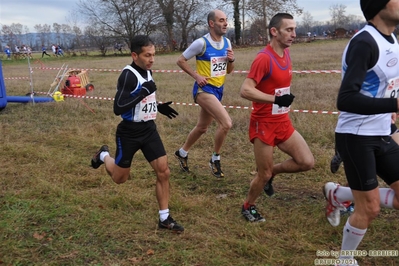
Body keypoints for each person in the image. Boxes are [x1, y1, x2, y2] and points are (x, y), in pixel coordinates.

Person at [322, 0, 399, 264]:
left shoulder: (390, 38)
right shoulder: (365, 43)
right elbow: (345, 99)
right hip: (355, 137)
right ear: (380, 5)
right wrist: (395, 104)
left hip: (382, 133)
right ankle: (344, 260)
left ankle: (337, 194)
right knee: (370, 207)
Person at [90, 35, 184, 233]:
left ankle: (164, 218)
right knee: (120, 178)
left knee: (164, 171)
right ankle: (103, 155)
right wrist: (142, 93)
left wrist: (157, 107)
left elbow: (143, 97)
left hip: (149, 130)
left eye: (153, 55)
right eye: (147, 55)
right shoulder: (128, 75)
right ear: (135, 55)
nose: (152, 59)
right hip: (129, 133)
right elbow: (118, 107)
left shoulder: (147, 72)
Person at [239, 13, 314, 222]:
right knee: (262, 174)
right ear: (274, 31)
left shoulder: (286, 53)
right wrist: (275, 100)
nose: (294, 34)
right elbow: (245, 90)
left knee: (306, 162)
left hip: (282, 122)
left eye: (294, 29)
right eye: (289, 30)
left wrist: (281, 100)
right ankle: (248, 206)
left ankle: (273, 173)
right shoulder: (264, 58)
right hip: (263, 124)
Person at [174, 9, 235, 178]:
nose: (225, 23)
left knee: (202, 128)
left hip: (218, 90)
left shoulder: (227, 43)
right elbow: (180, 60)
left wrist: (231, 60)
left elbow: (229, 71)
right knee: (226, 123)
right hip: (203, 89)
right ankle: (215, 158)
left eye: (226, 20)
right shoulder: (201, 43)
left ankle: (182, 153)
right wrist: (196, 75)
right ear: (211, 23)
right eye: (221, 20)